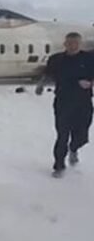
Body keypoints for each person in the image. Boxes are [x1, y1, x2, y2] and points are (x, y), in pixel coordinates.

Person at [36, 32, 94, 177]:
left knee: (81, 136)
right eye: (69, 43)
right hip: (63, 102)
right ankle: (59, 166)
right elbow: (47, 74)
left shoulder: (89, 59)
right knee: (62, 135)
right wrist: (41, 85)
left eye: (75, 43)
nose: (72, 46)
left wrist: (90, 83)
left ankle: (74, 148)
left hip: (83, 102)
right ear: (65, 44)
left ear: (80, 44)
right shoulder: (56, 59)